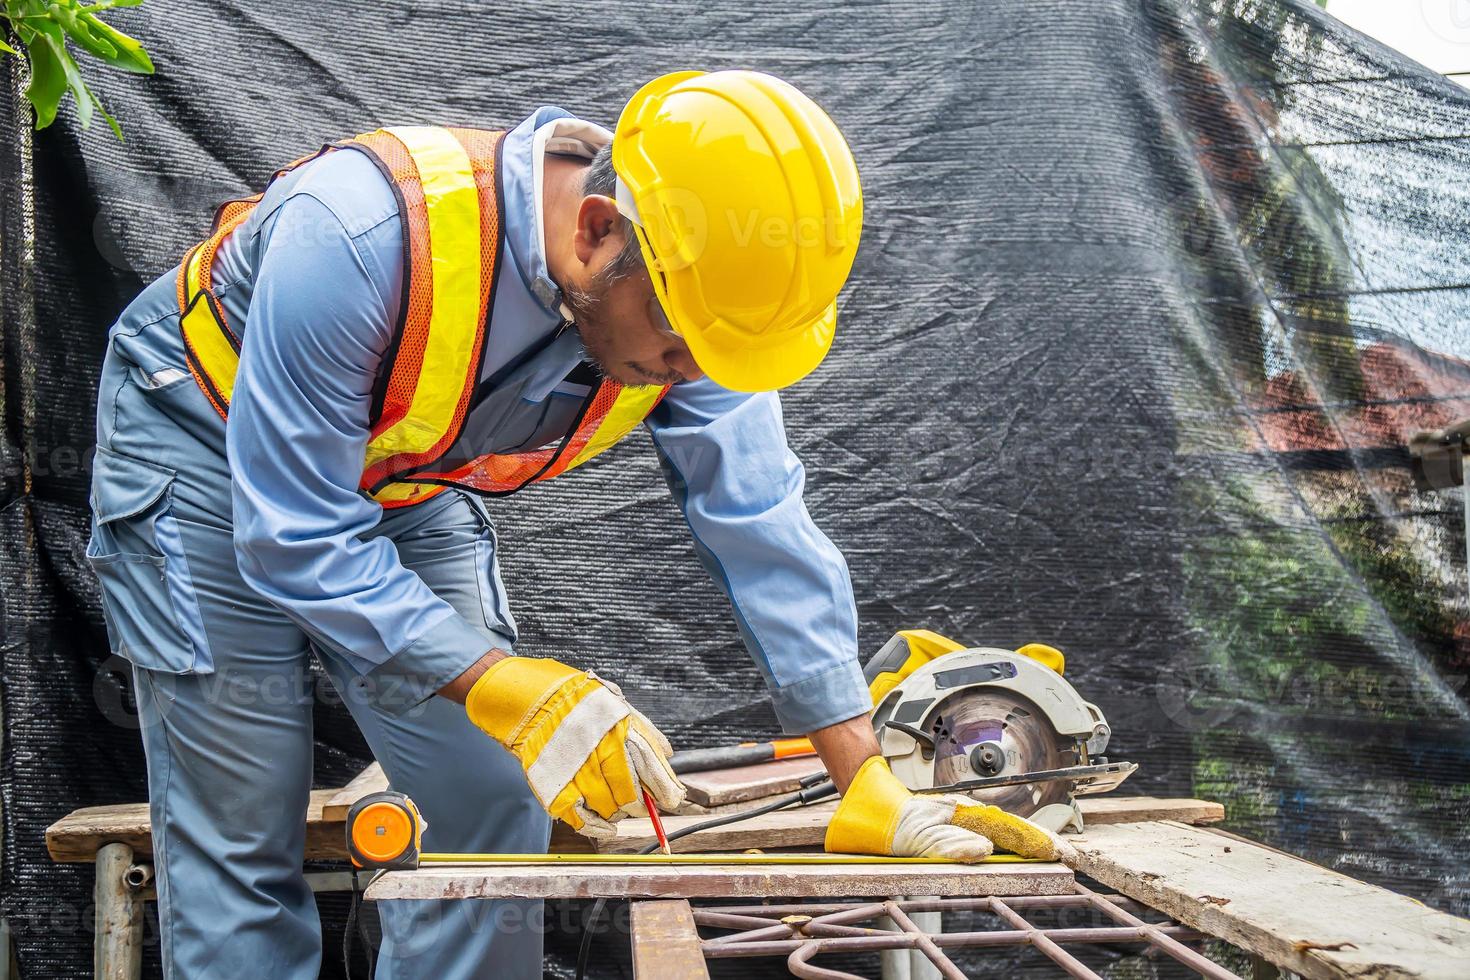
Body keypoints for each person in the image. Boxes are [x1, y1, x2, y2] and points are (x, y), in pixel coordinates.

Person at [87, 69, 1063, 979]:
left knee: (493, 799)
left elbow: (760, 516)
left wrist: (862, 778)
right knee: (241, 835)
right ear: (597, 230)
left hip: (398, 484)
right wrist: (509, 682)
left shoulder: (691, 308)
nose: (692, 373)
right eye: (680, 346)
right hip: (201, 452)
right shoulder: (356, 232)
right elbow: (291, 532)